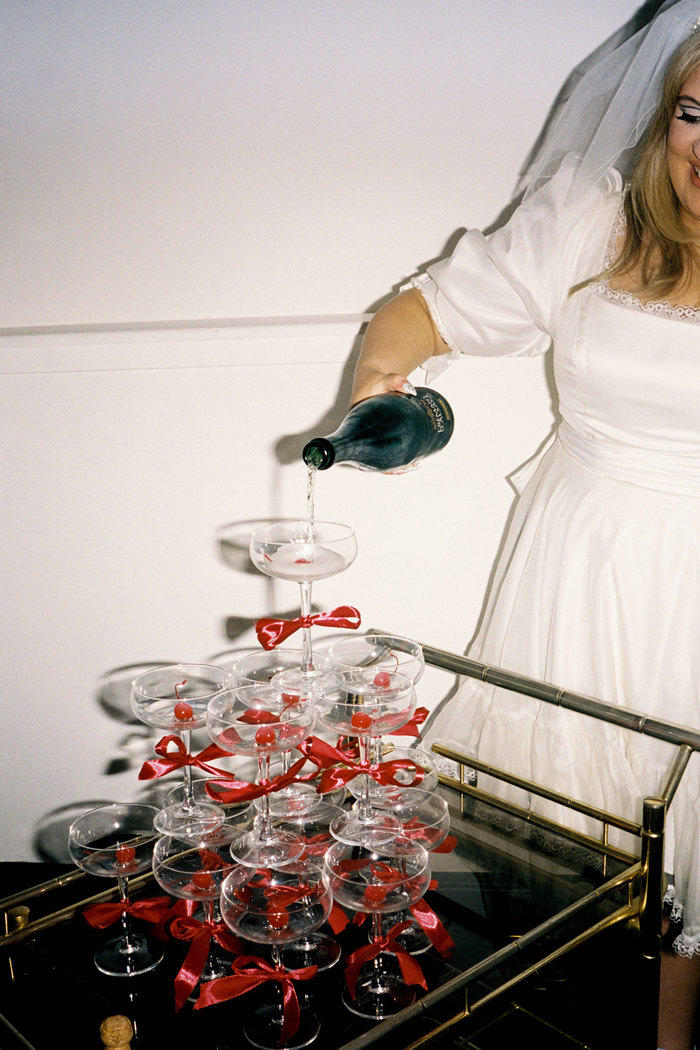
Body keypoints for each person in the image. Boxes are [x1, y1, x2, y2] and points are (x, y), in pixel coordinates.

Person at [350, 3, 700, 1048]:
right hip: (574, 564)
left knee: (688, 844)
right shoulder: (594, 222)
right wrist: (380, 382)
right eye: (693, 113)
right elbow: (428, 309)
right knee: (546, 829)